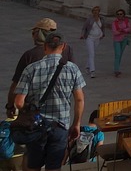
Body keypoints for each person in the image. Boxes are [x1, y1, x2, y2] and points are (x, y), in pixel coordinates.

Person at [14, 31, 86, 170]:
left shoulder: (31, 69)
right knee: (54, 167)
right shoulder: (72, 69)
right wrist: (76, 124)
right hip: (60, 126)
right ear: (63, 46)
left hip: (36, 126)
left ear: (45, 46)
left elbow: (18, 102)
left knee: (33, 165)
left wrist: (28, 108)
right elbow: (79, 99)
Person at [7, 18, 75, 117]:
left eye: (34, 33)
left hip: (34, 112)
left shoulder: (30, 55)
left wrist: (10, 107)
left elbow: (16, 85)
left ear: (40, 34)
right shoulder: (67, 50)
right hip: (60, 111)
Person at [79, 6, 104, 78]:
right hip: (90, 38)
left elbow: (103, 27)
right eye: (94, 10)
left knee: (91, 53)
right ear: (92, 12)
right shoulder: (89, 19)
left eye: (97, 10)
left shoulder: (102, 19)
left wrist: (103, 34)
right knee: (92, 53)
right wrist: (82, 35)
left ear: (99, 11)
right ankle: (92, 71)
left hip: (98, 38)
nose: (96, 12)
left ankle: (87, 66)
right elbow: (84, 28)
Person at [111, 8, 131, 77]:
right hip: (117, 40)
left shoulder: (126, 21)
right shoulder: (114, 22)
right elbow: (115, 32)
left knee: (120, 54)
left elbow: (129, 28)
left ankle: (117, 68)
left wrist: (122, 30)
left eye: (121, 14)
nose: (119, 15)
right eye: (118, 14)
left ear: (123, 15)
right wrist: (123, 31)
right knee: (118, 54)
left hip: (124, 39)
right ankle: (116, 70)